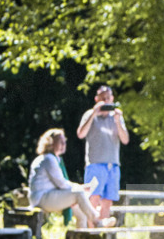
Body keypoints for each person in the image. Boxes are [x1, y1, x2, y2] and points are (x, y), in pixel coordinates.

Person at [27, 128, 115, 229]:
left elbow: (61, 182)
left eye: (64, 142)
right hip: (41, 199)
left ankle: (81, 238)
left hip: (45, 197)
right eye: (60, 142)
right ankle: (97, 221)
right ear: (51, 143)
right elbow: (61, 184)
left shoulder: (51, 158)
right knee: (78, 194)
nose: (64, 145)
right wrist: (80, 188)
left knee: (80, 209)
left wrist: (80, 187)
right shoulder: (49, 159)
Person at [77, 85, 129, 223]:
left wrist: (118, 121)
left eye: (108, 98)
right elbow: (81, 134)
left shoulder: (116, 117)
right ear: (96, 99)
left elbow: (125, 140)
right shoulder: (90, 115)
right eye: (102, 98)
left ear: (112, 99)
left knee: (107, 201)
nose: (106, 101)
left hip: (113, 165)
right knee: (93, 199)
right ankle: (89, 232)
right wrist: (94, 113)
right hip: (95, 164)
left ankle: (101, 235)